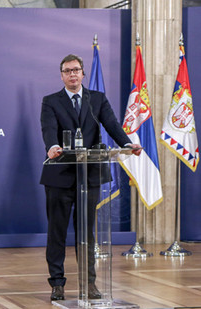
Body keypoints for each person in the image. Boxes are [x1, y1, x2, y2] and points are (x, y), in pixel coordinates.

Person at [40, 54, 142, 301]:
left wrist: (128, 144)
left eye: (76, 70)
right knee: (57, 233)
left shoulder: (96, 99)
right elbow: (48, 128)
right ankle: (57, 284)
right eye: (67, 71)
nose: (72, 74)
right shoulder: (51, 101)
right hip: (59, 176)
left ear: (83, 73)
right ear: (61, 75)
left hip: (90, 176)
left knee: (87, 234)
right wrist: (52, 146)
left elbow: (112, 125)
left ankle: (89, 283)